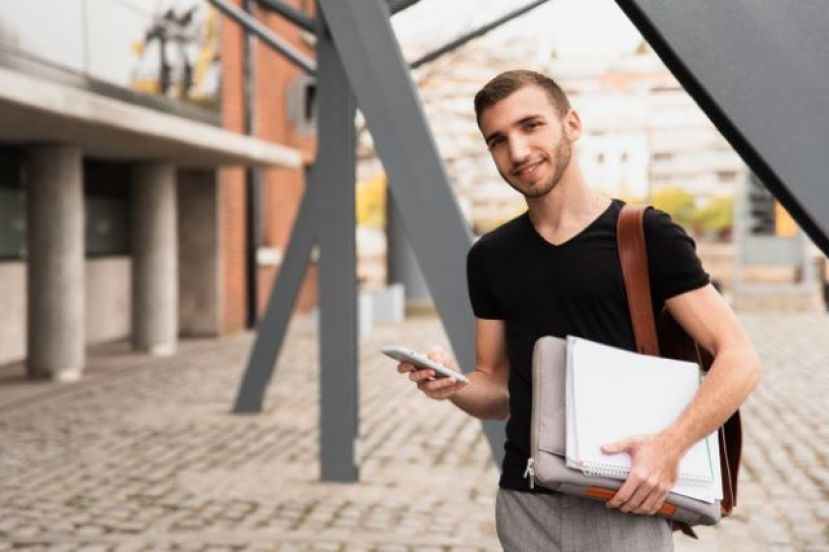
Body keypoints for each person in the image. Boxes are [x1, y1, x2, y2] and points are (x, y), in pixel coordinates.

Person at [396, 69, 761, 551]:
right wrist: (451, 386)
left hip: (624, 501)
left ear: (571, 123)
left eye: (531, 126)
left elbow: (739, 359)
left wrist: (669, 448)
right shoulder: (489, 257)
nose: (518, 152)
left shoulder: (645, 235)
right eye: (498, 140)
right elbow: (497, 388)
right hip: (526, 503)